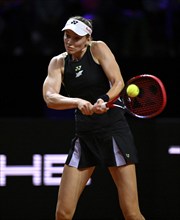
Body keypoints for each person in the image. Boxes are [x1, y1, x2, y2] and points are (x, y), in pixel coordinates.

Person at [42, 15, 145, 220]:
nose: (69, 41)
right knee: (63, 213)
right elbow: (50, 97)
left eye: (76, 37)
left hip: (113, 132)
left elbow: (118, 82)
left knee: (131, 213)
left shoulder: (98, 48)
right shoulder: (58, 62)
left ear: (87, 38)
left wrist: (104, 99)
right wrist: (78, 102)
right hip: (85, 136)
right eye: (67, 36)